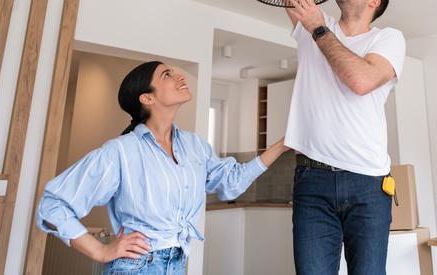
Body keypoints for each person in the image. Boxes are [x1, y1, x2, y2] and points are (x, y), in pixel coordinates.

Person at [273, 0, 406, 275]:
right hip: (311, 182)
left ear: (375, 3)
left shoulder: (388, 39)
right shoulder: (314, 27)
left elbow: (361, 80)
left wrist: (316, 27)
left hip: (369, 185)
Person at [36, 61, 288, 274]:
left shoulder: (194, 145)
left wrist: (283, 144)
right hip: (135, 267)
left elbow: (231, 183)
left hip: (178, 263)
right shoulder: (121, 151)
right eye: (167, 75)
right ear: (147, 98)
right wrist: (99, 250)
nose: (179, 76)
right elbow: (52, 206)